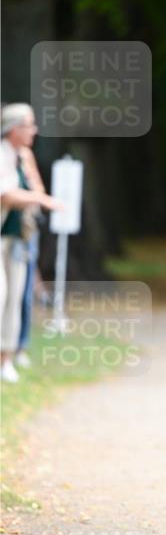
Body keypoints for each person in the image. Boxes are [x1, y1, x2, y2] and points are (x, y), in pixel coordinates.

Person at [1, 104, 62, 383]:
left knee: (15, 298)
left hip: (19, 238)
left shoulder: (21, 156)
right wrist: (42, 200)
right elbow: (6, 196)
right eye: (30, 124)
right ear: (14, 128)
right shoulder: (3, 155)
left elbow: (32, 187)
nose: (34, 130)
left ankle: (8, 358)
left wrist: (38, 197)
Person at [15, 144, 47, 369]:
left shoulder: (24, 155)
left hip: (24, 231)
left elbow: (39, 192)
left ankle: (20, 346)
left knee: (23, 294)